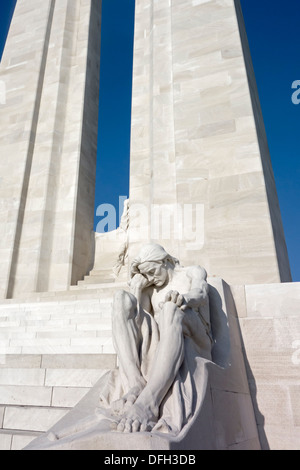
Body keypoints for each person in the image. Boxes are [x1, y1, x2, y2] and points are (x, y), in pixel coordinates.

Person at [111, 243, 212, 433]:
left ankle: (149, 402)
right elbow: (136, 319)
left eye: (152, 271)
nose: (150, 278)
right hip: (165, 337)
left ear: (165, 261)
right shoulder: (152, 289)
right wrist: (137, 289)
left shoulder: (191, 272)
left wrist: (184, 299)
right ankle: (135, 382)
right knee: (120, 299)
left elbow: (201, 293)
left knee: (170, 308)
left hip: (195, 332)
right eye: (146, 275)